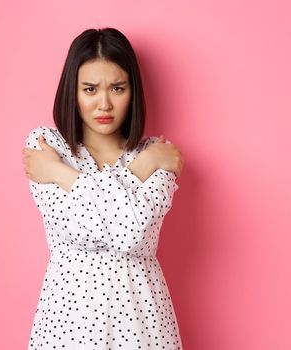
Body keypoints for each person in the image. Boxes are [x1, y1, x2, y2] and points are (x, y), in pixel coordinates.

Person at [21, 27, 184, 349]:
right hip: (67, 317)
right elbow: (77, 229)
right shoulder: (48, 146)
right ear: (73, 91)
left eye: (118, 88)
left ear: (132, 92)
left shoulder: (156, 152)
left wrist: (61, 175)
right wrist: (139, 172)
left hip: (142, 316)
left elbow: (131, 234)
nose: (104, 103)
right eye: (90, 89)